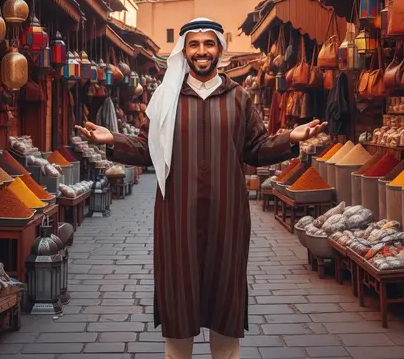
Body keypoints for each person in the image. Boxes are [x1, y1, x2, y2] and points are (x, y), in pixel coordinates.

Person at [76, 18, 327, 359]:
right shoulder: (166, 98)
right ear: (184, 51)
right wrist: (112, 140)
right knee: (179, 293)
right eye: (194, 45)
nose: (202, 51)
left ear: (220, 50)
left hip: (228, 217)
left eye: (209, 44)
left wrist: (289, 140)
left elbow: (255, 148)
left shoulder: (239, 98)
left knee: (225, 294)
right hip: (177, 216)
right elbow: (144, 147)